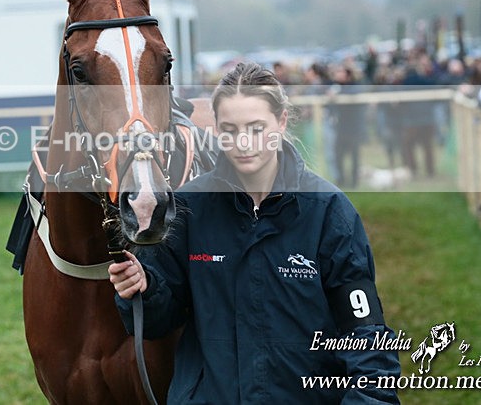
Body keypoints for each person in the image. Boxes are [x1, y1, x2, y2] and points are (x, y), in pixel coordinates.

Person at [109, 62, 400, 403]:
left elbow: (366, 340)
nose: (243, 142)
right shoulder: (189, 208)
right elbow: (159, 323)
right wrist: (143, 290)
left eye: (257, 128)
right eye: (230, 130)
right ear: (216, 128)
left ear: (281, 122)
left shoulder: (328, 212)